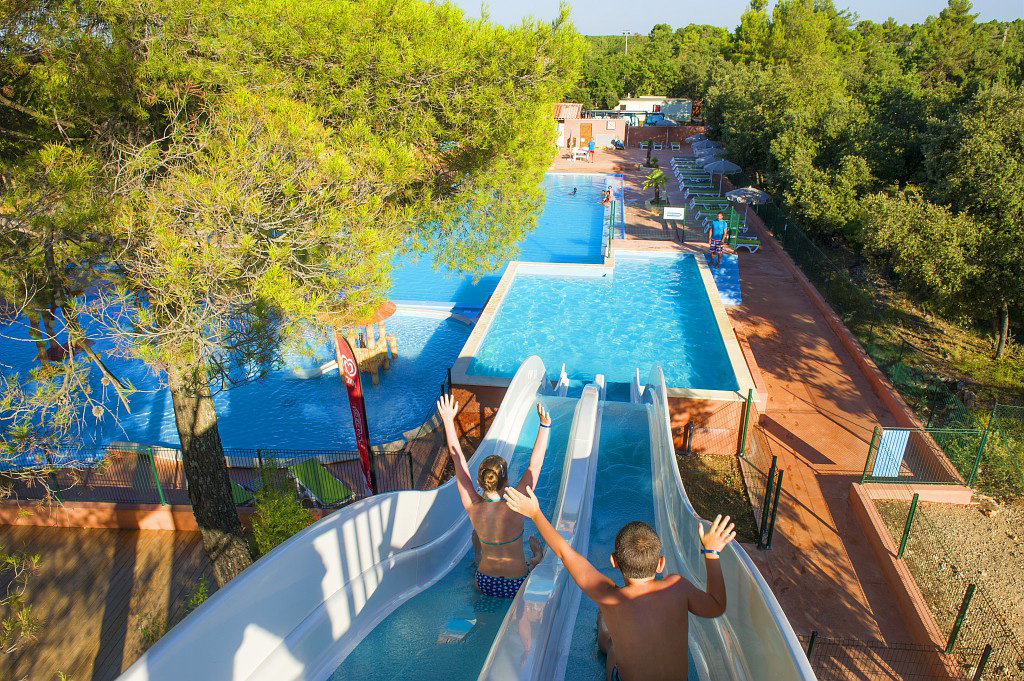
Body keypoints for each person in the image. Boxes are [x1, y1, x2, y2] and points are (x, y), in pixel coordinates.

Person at [504, 485, 735, 681]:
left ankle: (605, 631)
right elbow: (716, 605)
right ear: (661, 564)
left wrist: (535, 513)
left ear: (614, 561)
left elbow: (565, 553)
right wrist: (711, 552)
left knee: (611, 641)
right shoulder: (677, 586)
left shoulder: (610, 597)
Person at [436, 394, 551, 598]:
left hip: (485, 582)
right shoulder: (517, 504)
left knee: (476, 540)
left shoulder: (473, 506)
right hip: (516, 582)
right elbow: (535, 465)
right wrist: (544, 426)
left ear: (479, 483)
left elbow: (458, 459)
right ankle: (538, 557)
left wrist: (447, 419)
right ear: (506, 483)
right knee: (537, 564)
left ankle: (479, 553)